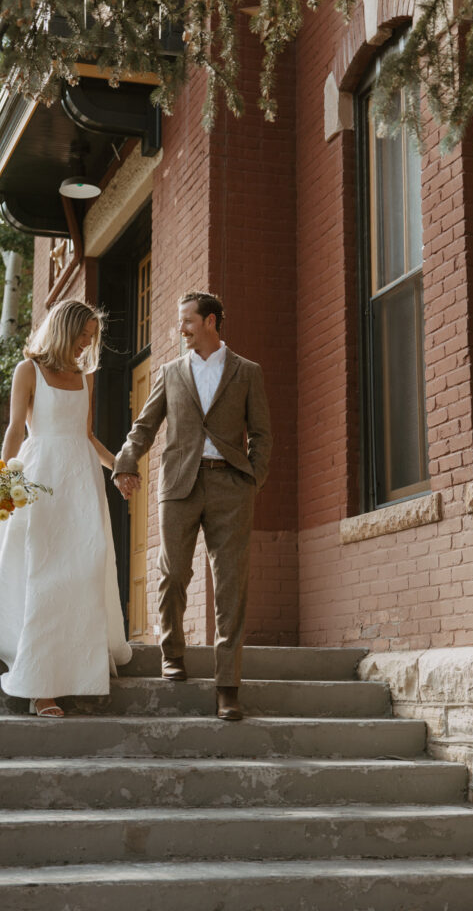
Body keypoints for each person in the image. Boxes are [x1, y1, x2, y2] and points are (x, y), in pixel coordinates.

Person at [0, 299, 132, 716]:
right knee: (45, 573)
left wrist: (120, 467)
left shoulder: (84, 377)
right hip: (40, 478)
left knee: (86, 569)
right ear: (63, 330)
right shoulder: (29, 370)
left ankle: (79, 672)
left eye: (91, 339)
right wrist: (0, 484)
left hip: (82, 482)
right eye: (82, 336)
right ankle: (41, 688)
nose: (85, 345)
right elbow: (15, 431)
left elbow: (87, 435)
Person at [113, 291, 272, 721]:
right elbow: (144, 426)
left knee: (230, 584)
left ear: (211, 321)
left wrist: (252, 478)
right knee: (172, 573)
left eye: (187, 321)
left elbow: (261, 432)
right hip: (179, 483)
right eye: (181, 322)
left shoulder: (247, 372)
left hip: (230, 486)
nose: (180, 329)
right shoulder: (170, 372)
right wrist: (127, 462)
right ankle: (173, 655)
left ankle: (227, 686)